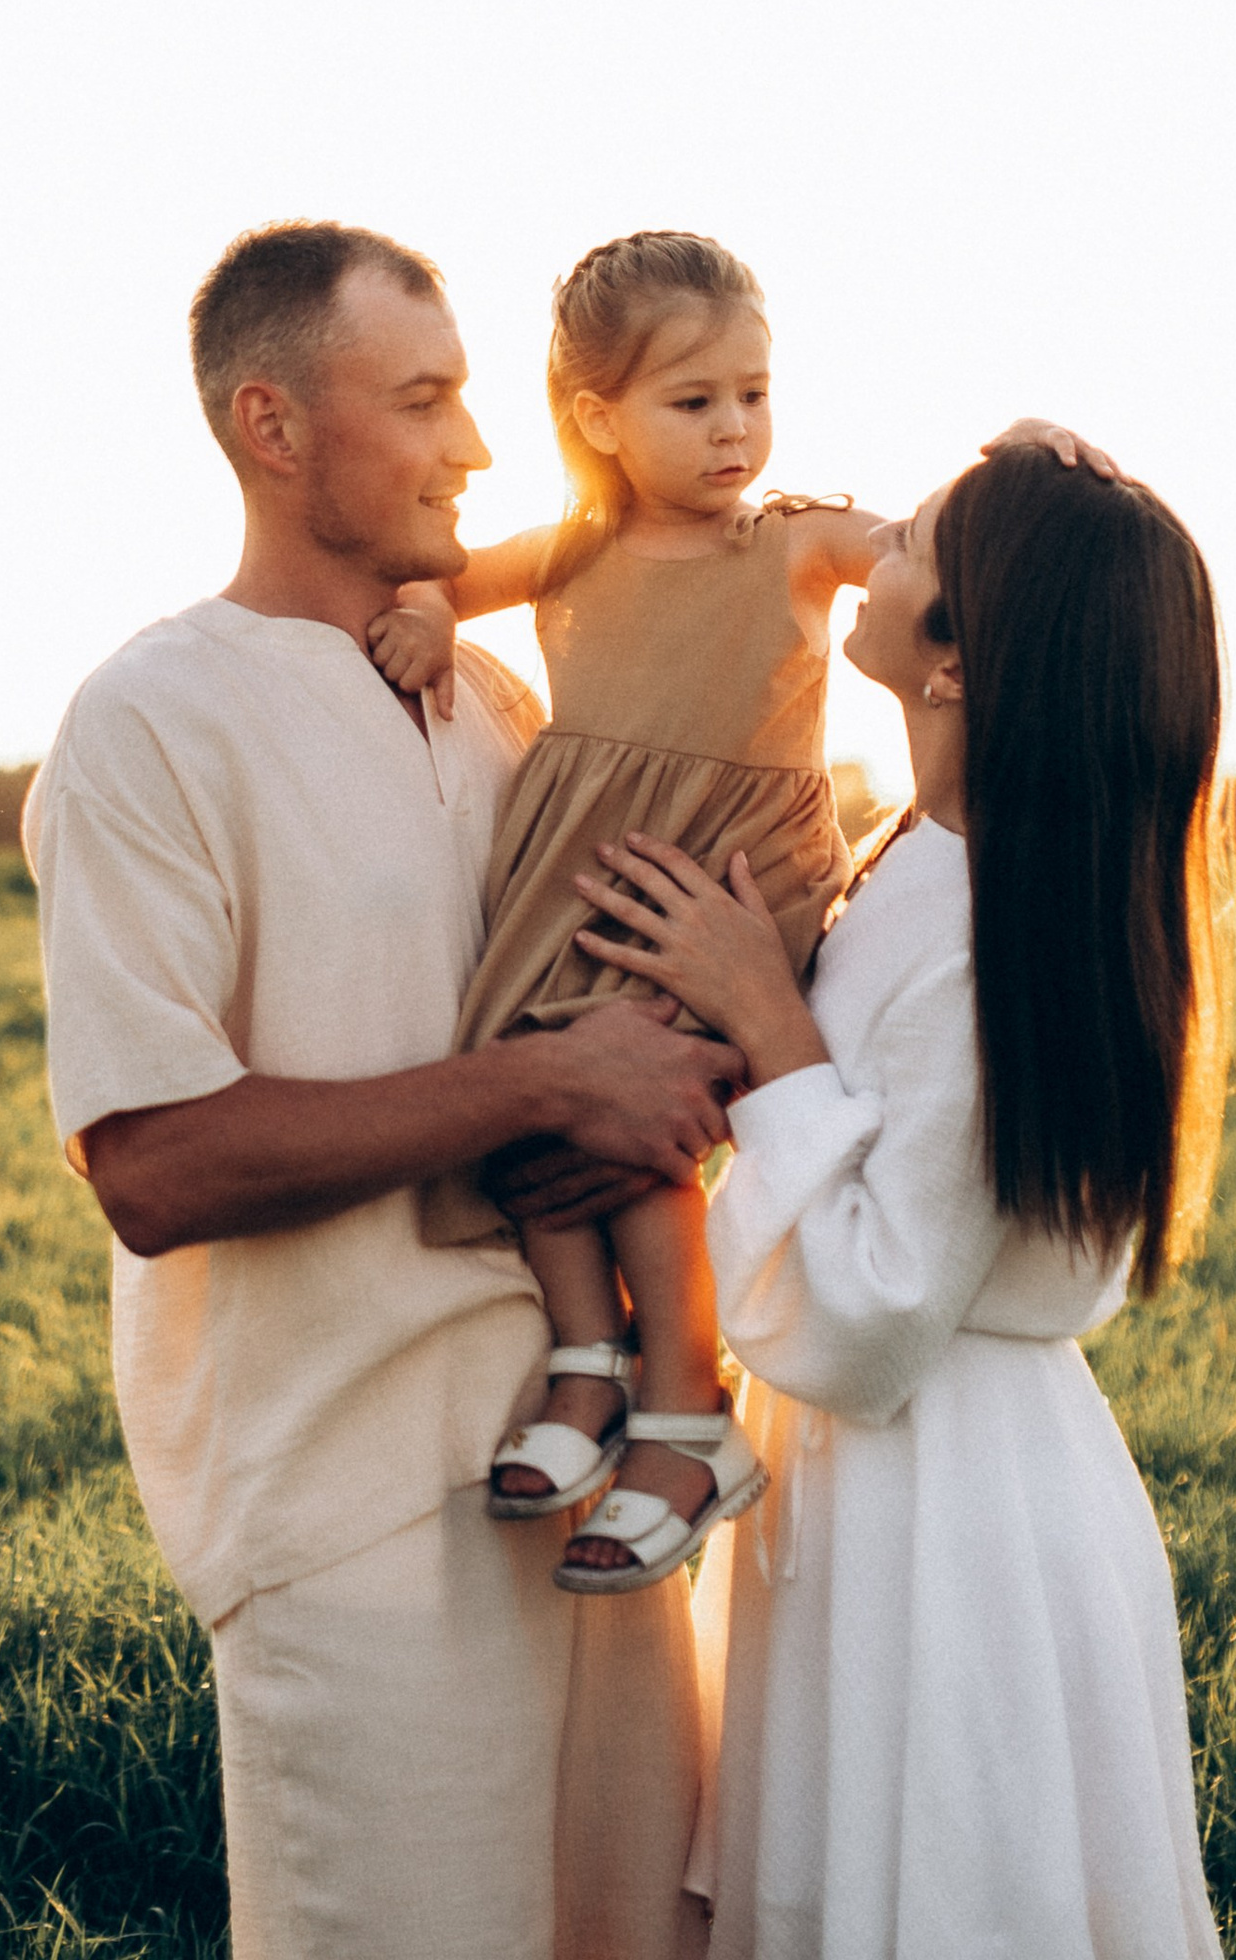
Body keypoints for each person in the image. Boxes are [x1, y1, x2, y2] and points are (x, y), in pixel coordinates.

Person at [22, 221, 743, 1960]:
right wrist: (543, 1081)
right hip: (350, 1516)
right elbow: (153, 1163)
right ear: (273, 427)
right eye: (422, 401)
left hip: (600, 1493)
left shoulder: (500, 697)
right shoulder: (147, 722)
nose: (478, 449)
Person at [578, 436, 1236, 1960]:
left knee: (941, 1895)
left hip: (948, 1512)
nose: (871, 550)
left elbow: (873, 1312)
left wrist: (768, 1019)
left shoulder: (993, 918)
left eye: (916, 541)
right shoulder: (927, 857)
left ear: (957, 658)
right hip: (901, 1482)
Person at [366, 230, 880, 1592]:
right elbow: (431, 573)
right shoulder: (577, 549)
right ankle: (586, 1357)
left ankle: (683, 1401)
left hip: (726, 879)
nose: (736, 430)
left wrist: (1026, 458)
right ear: (598, 419)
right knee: (531, 1080)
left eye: (754, 395)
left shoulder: (796, 542)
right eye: (694, 401)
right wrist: (423, 614)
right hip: (585, 866)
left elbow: (933, 553)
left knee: (643, 1118)